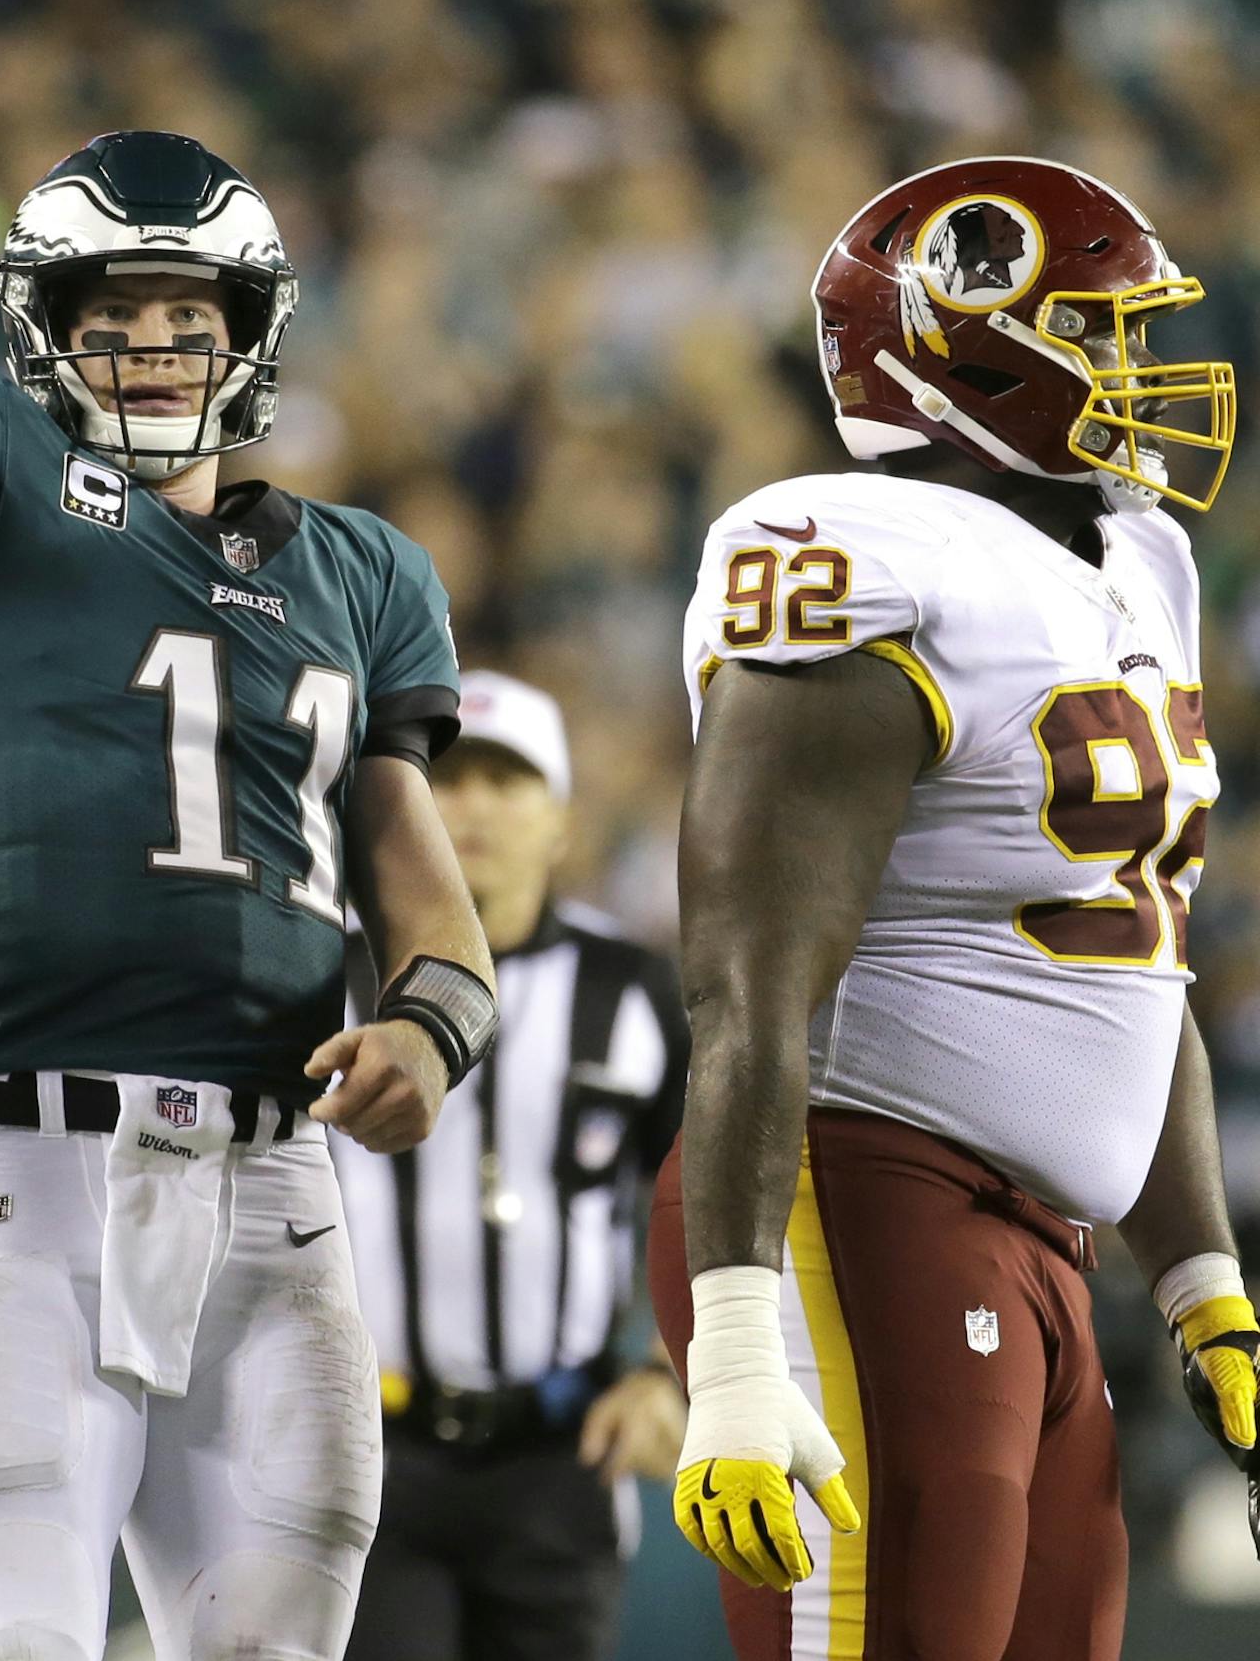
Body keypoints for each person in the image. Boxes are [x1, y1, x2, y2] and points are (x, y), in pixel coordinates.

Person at [0, 0, 494, 1661]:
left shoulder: (358, 568)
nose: (156, 342)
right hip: (22, 1164)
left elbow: (426, 887)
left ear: (247, 332)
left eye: (189, 313)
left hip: (279, 1183)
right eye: (113, 313)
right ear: (42, 333)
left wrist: (433, 1026)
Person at [651, 155, 1259, 1660]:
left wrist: (1206, 1287)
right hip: (854, 1195)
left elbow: (1134, 953)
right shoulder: (853, 548)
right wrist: (736, 1334)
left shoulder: (1139, 563)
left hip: (1037, 1238)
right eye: (1098, 330)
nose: (1134, 369)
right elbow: (745, 977)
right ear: (962, 338)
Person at [335, 669, 689, 1661]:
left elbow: (702, 1195)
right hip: (368, 1453)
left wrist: (672, 1370)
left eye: (507, 781)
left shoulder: (635, 988)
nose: (474, 806)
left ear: (562, 821)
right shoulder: (329, 976)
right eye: (446, 781)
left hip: (561, 1454)